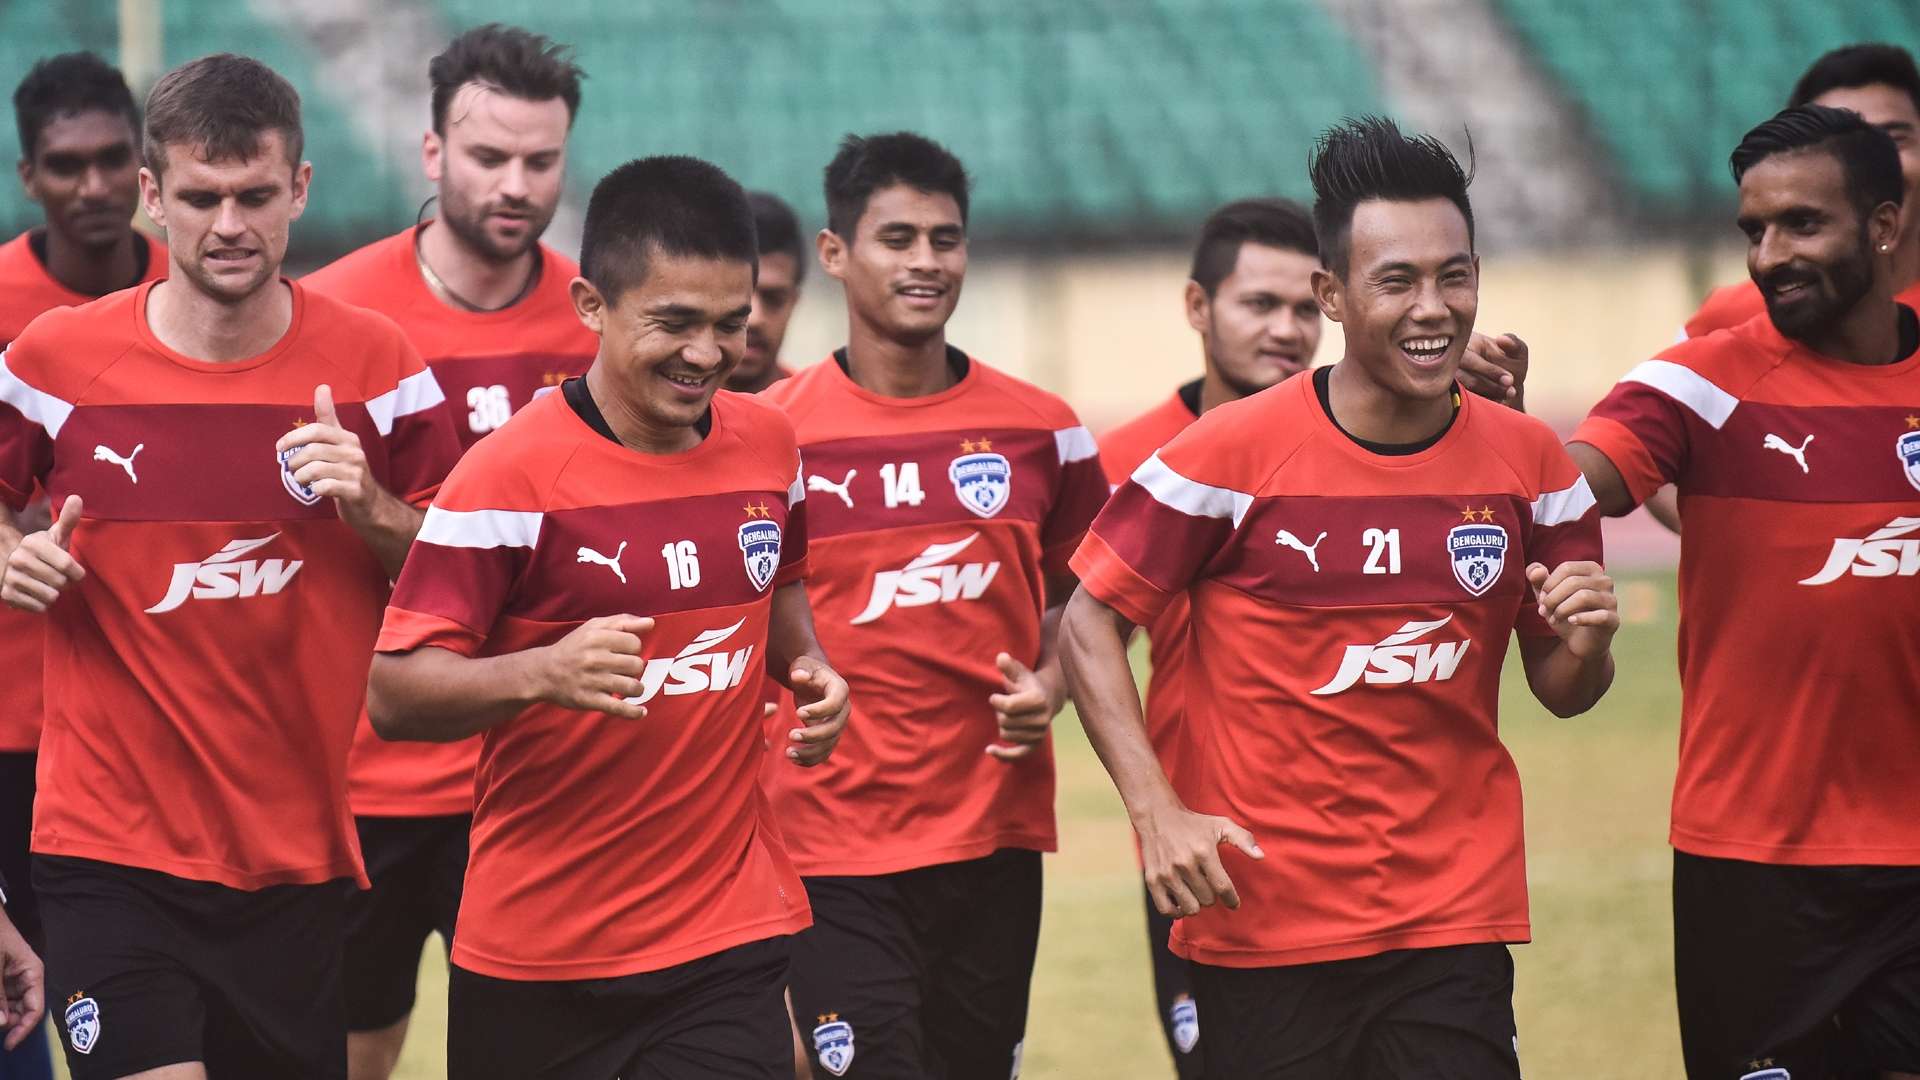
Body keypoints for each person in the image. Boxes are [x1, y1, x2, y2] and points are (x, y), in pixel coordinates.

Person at [1061, 115, 1618, 1079]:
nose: (1434, 307)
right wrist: (1156, 811)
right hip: (1267, 924)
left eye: (1456, 275)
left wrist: (1590, 638)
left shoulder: (1529, 458)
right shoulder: (1224, 454)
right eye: (1396, 280)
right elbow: (1088, 619)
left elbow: (1564, 689)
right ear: (1332, 294)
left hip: (1452, 920)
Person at [0, 54, 461, 1078]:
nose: (229, 225)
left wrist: (371, 506)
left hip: (294, 864)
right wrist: (8, 555)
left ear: (300, 188)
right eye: (200, 198)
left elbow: (461, 579)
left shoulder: (379, 368)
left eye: (256, 195)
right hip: (106, 853)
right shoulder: (54, 362)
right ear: (153, 197)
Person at [366, 154, 851, 1080]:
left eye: (730, 325)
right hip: (539, 954)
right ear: (591, 305)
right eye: (673, 323)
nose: (707, 354)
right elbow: (394, 692)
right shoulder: (508, 477)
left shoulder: (769, 447)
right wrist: (541, 672)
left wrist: (813, 673)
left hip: (723, 936)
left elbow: (779, 593)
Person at [1570, 104, 1920, 1080]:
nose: (1771, 255)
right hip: (1753, 860)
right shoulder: (1698, 386)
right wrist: (1488, 425)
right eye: (1755, 231)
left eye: (1802, 224)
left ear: (1884, 226)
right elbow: (1565, 486)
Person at [763, 131, 1107, 1079]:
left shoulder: (1044, 433)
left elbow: (1088, 603)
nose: (925, 262)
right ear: (835, 254)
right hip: (828, 849)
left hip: (993, 842)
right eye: (897, 238)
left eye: (945, 239)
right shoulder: (770, 437)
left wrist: (1052, 683)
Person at [301, 24, 591, 1078]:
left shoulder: (601, 325)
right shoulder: (332, 316)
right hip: (359, 785)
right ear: (432, 155)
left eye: (541, 161)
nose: (515, 184)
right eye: (487, 157)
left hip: (541, 783)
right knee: (345, 1057)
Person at [0, 51, 166, 1080]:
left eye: (115, 160)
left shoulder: (202, 292)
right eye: (69, 166)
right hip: (16, 721)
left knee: (143, 1023)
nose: (95, 186)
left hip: (161, 722)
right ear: (31, 177)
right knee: (19, 1019)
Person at [729, 190, 807, 394]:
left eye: (774, 299)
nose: (754, 318)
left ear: (793, 303)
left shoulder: (824, 417)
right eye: (736, 295)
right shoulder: (648, 420)